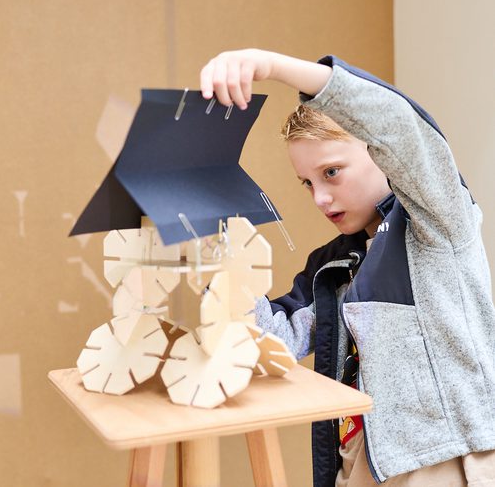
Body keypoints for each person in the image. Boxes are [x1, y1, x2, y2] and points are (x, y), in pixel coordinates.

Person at [200, 50, 495, 486]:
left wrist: (271, 67)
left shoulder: (437, 224)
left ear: (382, 153)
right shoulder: (331, 267)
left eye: (332, 172)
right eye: (308, 183)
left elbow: (399, 126)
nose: (319, 198)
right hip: (358, 464)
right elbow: (272, 344)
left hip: (443, 459)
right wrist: (222, 261)